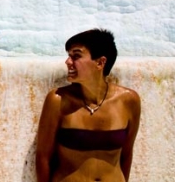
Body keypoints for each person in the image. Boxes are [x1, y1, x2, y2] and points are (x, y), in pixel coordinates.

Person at [36, 28, 141, 182]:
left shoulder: (129, 101)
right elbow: (43, 157)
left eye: (76, 56)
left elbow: (126, 155)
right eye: (68, 56)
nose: (68, 62)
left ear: (100, 62)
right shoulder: (58, 100)